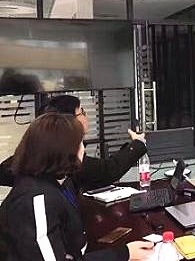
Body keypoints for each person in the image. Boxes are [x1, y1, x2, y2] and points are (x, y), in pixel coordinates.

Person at [0, 113, 154, 261]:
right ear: (62, 150)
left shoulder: (59, 180)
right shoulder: (36, 200)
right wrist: (124, 254)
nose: (83, 149)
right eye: (79, 143)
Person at [0, 95, 147, 191]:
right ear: (67, 121)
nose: (86, 117)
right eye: (81, 112)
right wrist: (137, 144)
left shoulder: (34, 154)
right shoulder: (65, 158)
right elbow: (108, 171)